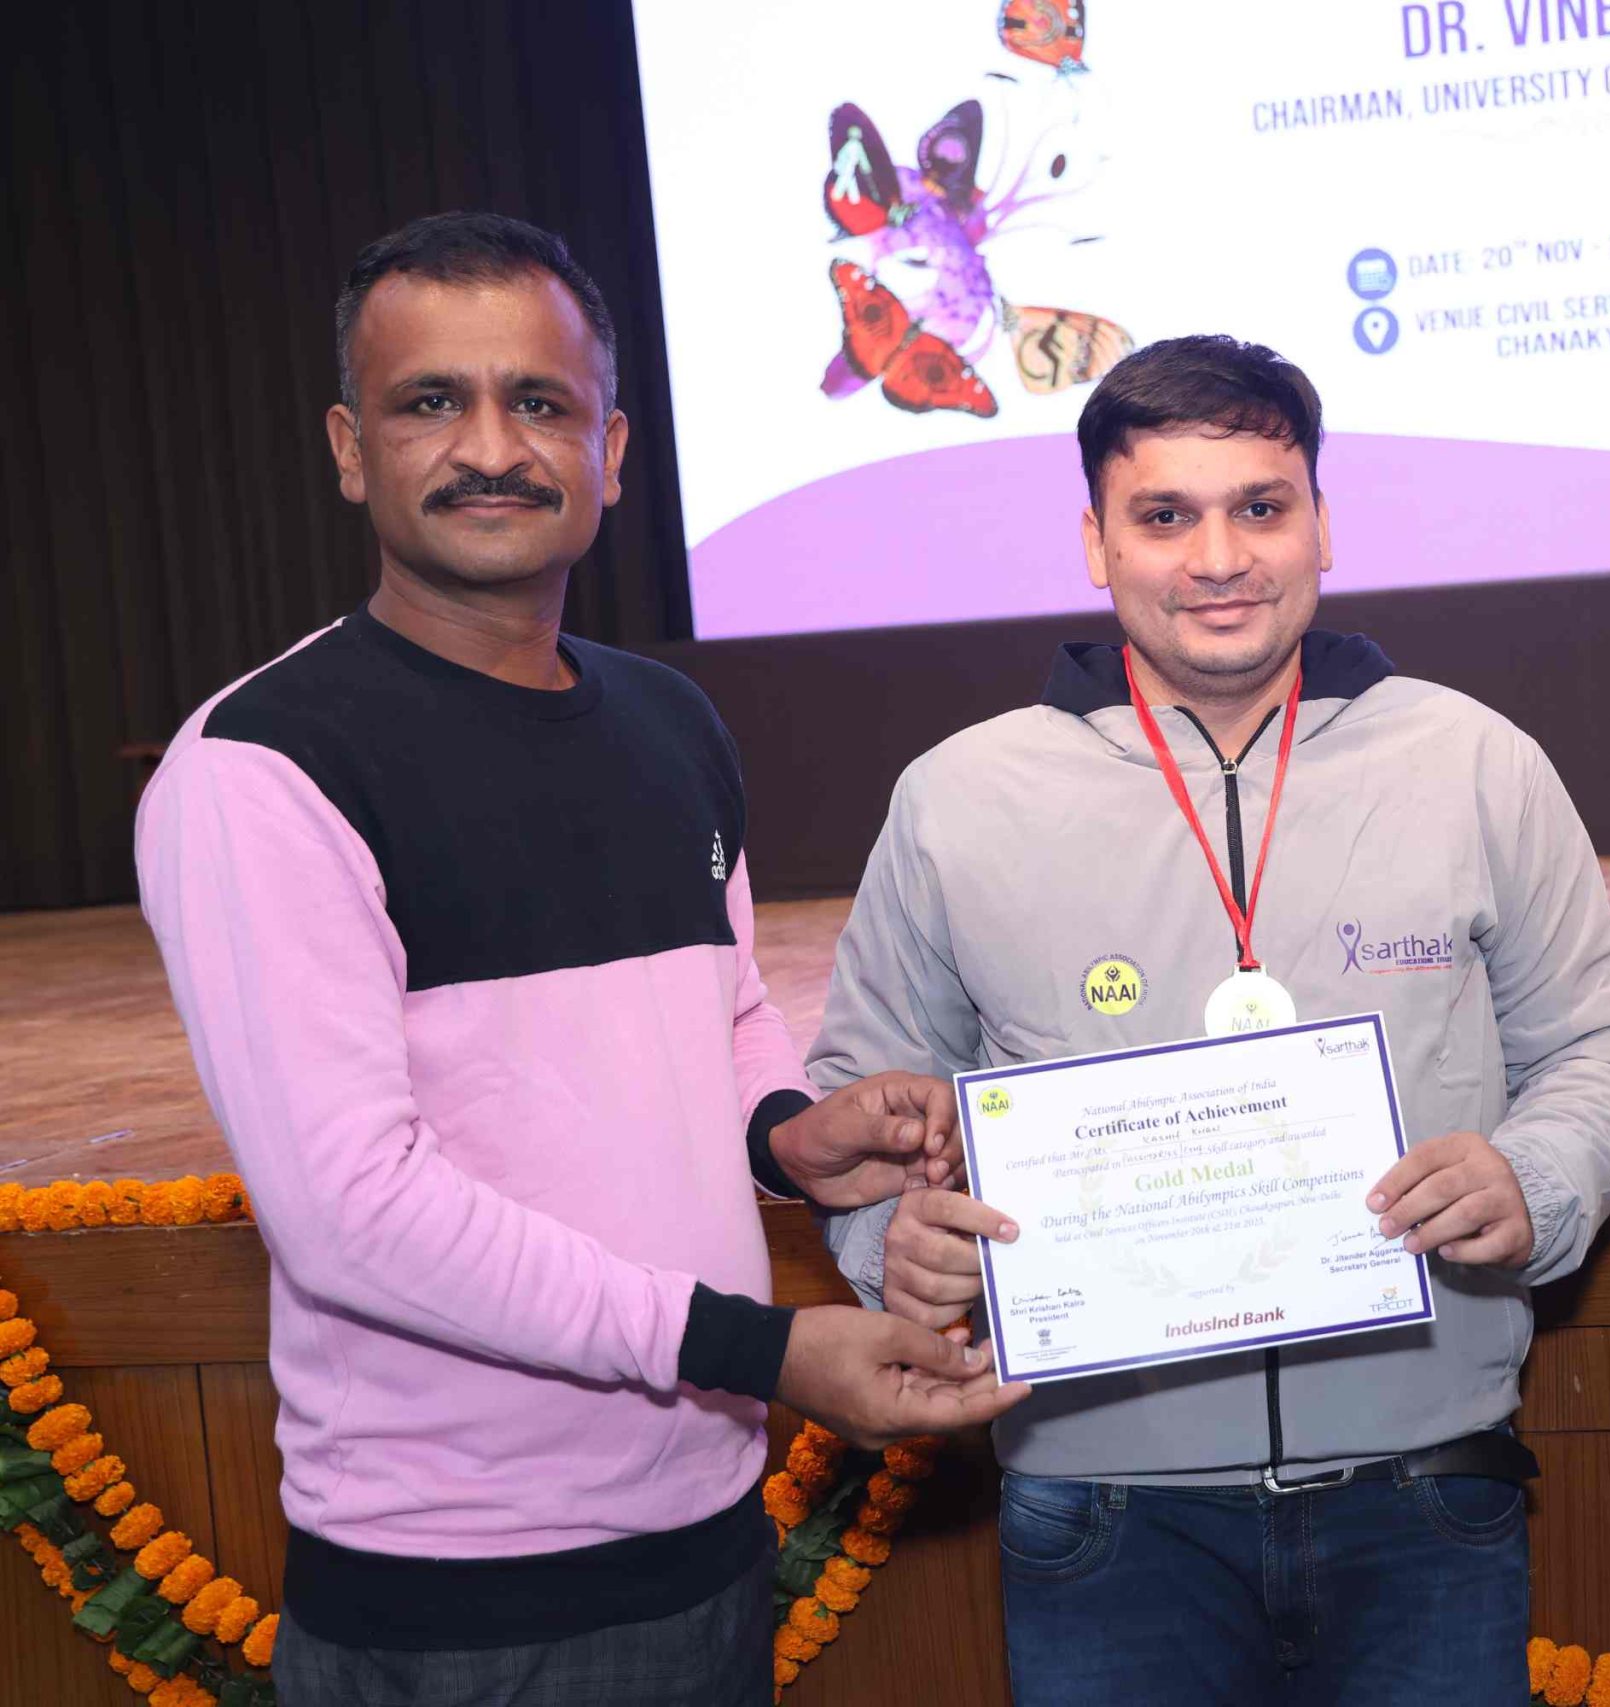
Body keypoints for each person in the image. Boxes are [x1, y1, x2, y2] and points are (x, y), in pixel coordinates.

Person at [135, 211, 1023, 1707]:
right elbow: (353, 1215)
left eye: (538, 401)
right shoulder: (263, 766)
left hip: (708, 1535)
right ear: (351, 449)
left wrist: (787, 1134)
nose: (492, 447)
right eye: (433, 401)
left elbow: (728, 1010)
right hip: (463, 1599)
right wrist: (759, 1348)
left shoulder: (669, 720)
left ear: (607, 450)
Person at [770, 333, 1610, 1703]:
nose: (1220, 556)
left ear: (1321, 524)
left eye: (1260, 506)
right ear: (1096, 542)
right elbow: (864, 1106)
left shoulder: (1475, 761)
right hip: (1103, 1510)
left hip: (1424, 1486)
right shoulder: (961, 797)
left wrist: (1536, 1179)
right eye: (1165, 515)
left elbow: (1598, 1044)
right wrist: (892, 1248)